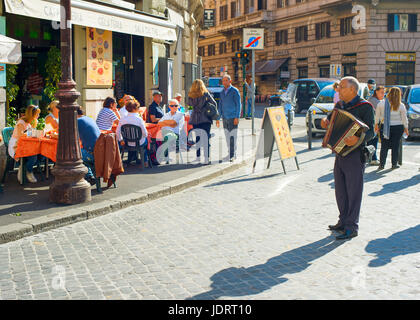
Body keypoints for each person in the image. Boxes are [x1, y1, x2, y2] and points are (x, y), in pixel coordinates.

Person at [321, 76, 375, 240]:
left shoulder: (365, 107)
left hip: (355, 154)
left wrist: (357, 139)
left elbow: (372, 132)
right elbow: (329, 120)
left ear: (353, 89)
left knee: (354, 192)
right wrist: (325, 122)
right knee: (341, 191)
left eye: (342, 87)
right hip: (339, 152)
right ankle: (343, 221)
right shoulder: (339, 105)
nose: (339, 90)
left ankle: (352, 226)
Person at [375, 87, 409, 171]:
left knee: (384, 146)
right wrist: (406, 128)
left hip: (385, 127)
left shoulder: (381, 103)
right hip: (398, 127)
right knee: (395, 145)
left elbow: (377, 116)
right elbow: (404, 118)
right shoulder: (401, 105)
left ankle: (382, 164)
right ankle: (394, 164)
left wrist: (376, 124)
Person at [8, 105, 41, 183]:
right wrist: (34, 133)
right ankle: (28, 171)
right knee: (33, 156)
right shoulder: (21, 122)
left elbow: (30, 135)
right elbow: (21, 136)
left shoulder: (29, 123)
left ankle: (24, 168)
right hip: (16, 145)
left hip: (26, 145)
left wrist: (34, 129)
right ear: (32, 114)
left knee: (40, 154)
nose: (38, 116)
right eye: (37, 114)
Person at [188, 79, 216, 163]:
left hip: (195, 118)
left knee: (197, 138)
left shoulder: (190, 95)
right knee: (206, 138)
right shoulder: (206, 94)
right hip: (205, 118)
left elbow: (189, 106)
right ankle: (207, 158)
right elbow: (214, 103)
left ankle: (198, 157)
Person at [216, 74, 241, 162]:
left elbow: (238, 105)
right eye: (223, 81)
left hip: (233, 117)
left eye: (226, 80)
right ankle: (230, 153)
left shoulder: (235, 91)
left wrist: (237, 117)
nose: (224, 82)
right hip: (225, 117)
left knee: (232, 136)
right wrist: (218, 118)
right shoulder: (222, 92)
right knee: (227, 136)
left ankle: (233, 155)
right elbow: (220, 105)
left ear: (230, 81)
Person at [116, 101, 148, 166]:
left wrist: (121, 140)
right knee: (146, 140)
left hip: (127, 142)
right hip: (139, 143)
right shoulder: (139, 119)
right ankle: (145, 161)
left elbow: (117, 131)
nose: (139, 109)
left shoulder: (122, 119)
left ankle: (131, 159)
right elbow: (145, 133)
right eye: (138, 107)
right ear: (135, 109)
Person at [77, 107, 101, 185]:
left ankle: (88, 177)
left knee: (74, 155)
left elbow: (70, 137)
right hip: (101, 152)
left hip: (92, 154)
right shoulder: (89, 119)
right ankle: (89, 176)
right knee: (81, 152)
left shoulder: (77, 121)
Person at [157, 99, 185, 163]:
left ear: (178, 106)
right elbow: (159, 123)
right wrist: (169, 123)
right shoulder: (166, 114)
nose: (174, 107)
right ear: (169, 107)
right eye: (172, 106)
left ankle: (161, 156)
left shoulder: (180, 114)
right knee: (153, 138)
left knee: (167, 137)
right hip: (164, 131)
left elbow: (173, 123)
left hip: (175, 134)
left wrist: (165, 122)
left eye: (176, 105)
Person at [367, 86, 386, 165]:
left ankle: (371, 158)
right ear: (376, 92)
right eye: (381, 92)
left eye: (384, 93)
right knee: (373, 141)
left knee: (371, 141)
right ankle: (373, 159)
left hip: (372, 123)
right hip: (373, 124)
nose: (383, 94)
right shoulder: (375, 101)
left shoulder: (373, 99)